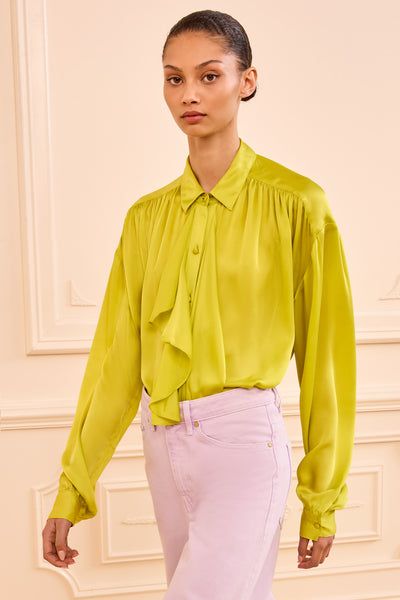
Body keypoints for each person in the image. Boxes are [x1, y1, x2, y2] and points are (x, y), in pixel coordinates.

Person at [42, 9, 356, 599]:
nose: (189, 93)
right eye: (174, 78)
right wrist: (73, 485)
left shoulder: (297, 204)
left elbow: (327, 362)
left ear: (247, 80)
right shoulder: (145, 218)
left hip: (244, 447)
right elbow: (116, 360)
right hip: (162, 447)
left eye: (209, 75)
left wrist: (322, 498)